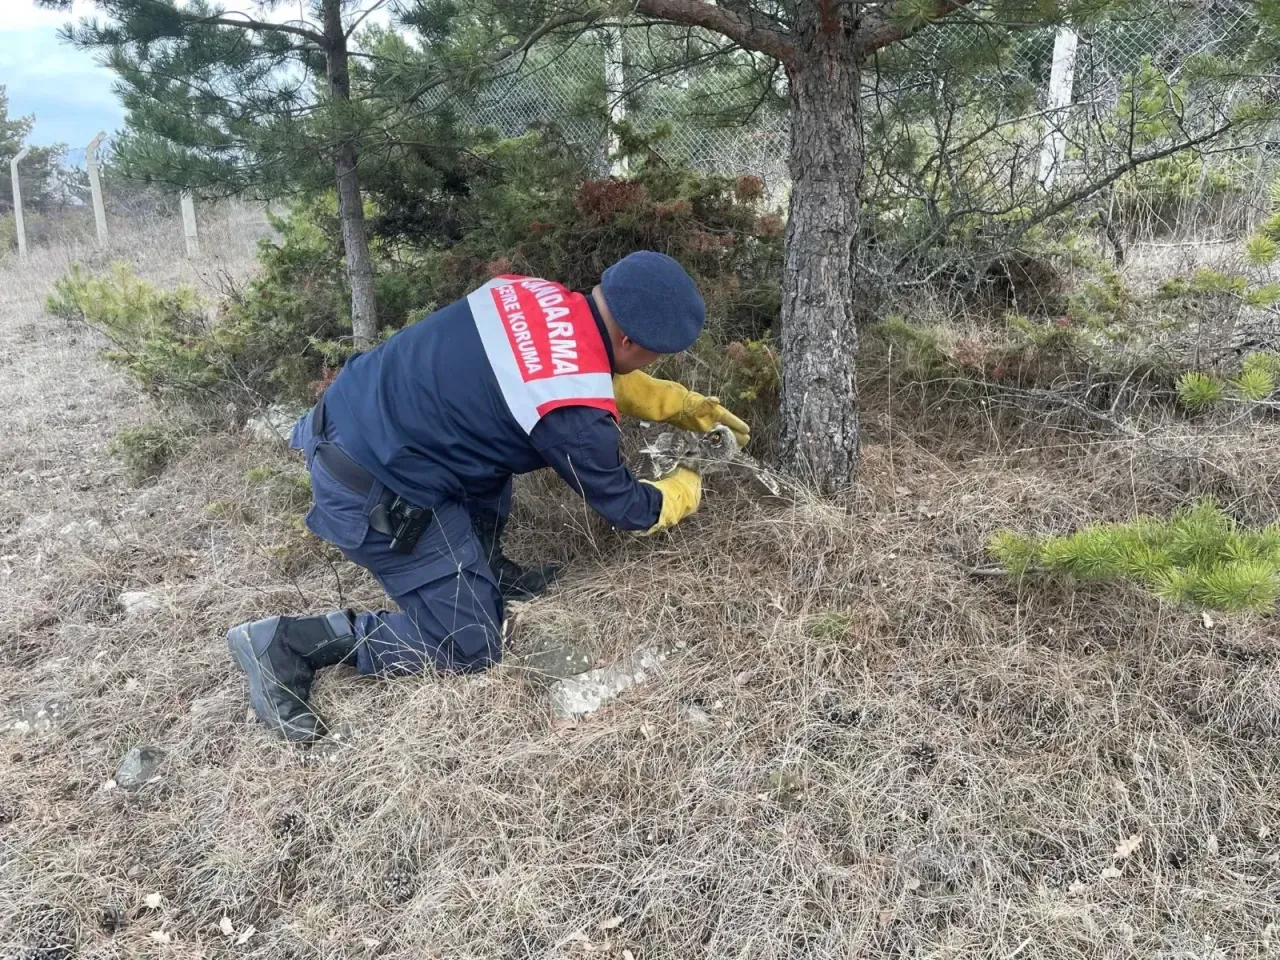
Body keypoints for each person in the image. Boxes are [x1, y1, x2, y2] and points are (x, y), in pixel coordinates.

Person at [227, 251, 750, 741]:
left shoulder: (532, 293)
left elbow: (566, 364)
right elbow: (631, 508)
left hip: (365, 417)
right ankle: (287, 643)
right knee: (470, 647)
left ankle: (487, 569)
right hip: (370, 485)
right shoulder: (575, 422)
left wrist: (679, 404)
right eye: (658, 356)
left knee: (494, 453)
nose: (657, 362)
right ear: (635, 343)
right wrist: (688, 485)